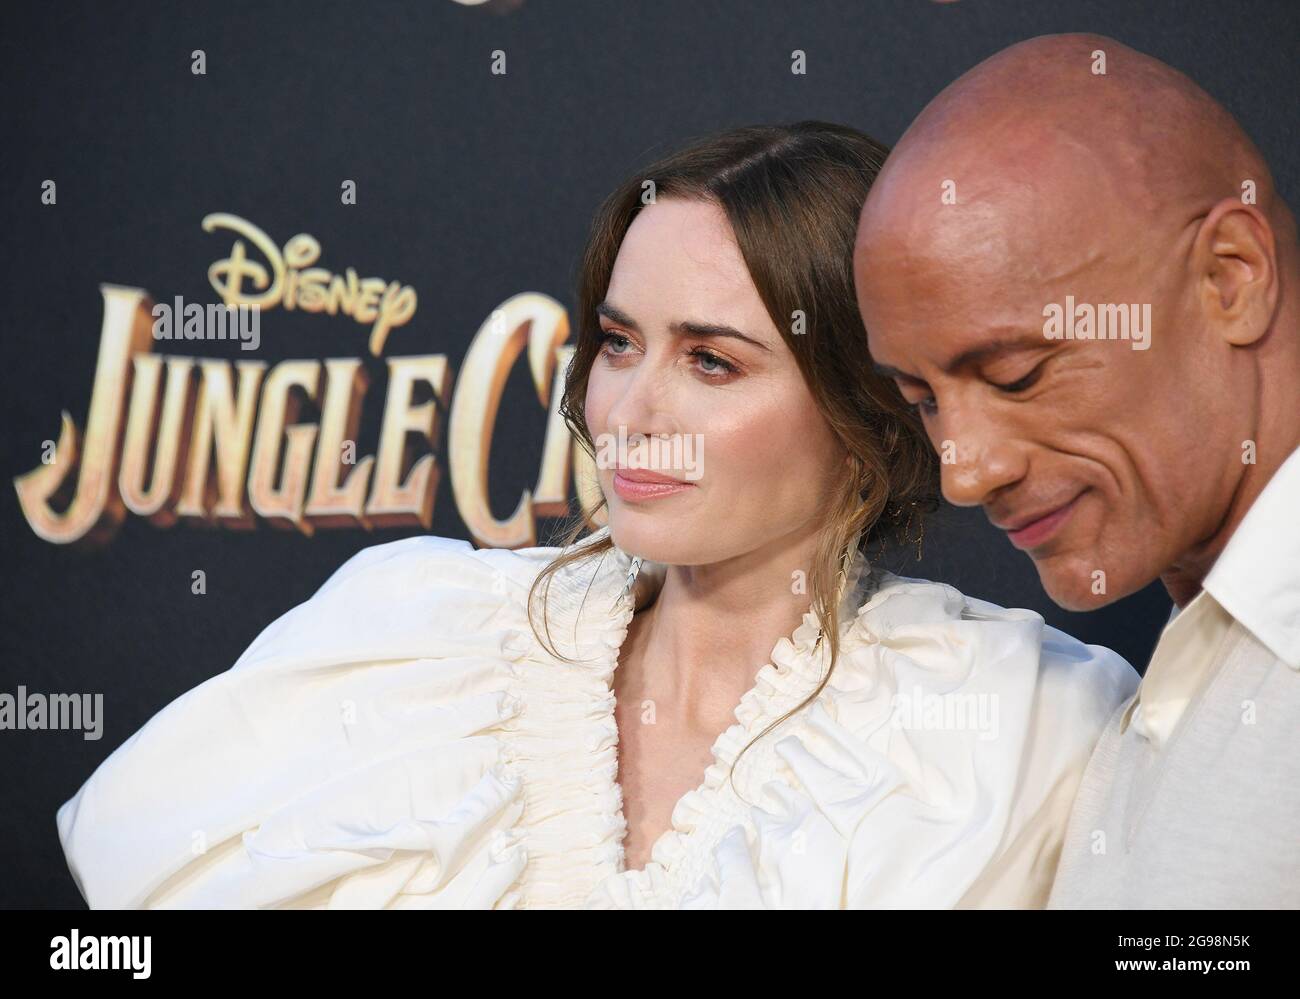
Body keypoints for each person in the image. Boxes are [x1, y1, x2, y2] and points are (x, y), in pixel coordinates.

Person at [57, 121, 1136, 910]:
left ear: (865, 411)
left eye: (711, 361)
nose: (631, 411)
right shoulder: (411, 634)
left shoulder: (1016, 727)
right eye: (619, 343)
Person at [854, 33, 1300, 907]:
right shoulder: (1168, 691)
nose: (964, 473)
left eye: (1018, 373)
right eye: (924, 400)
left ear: (1230, 279)